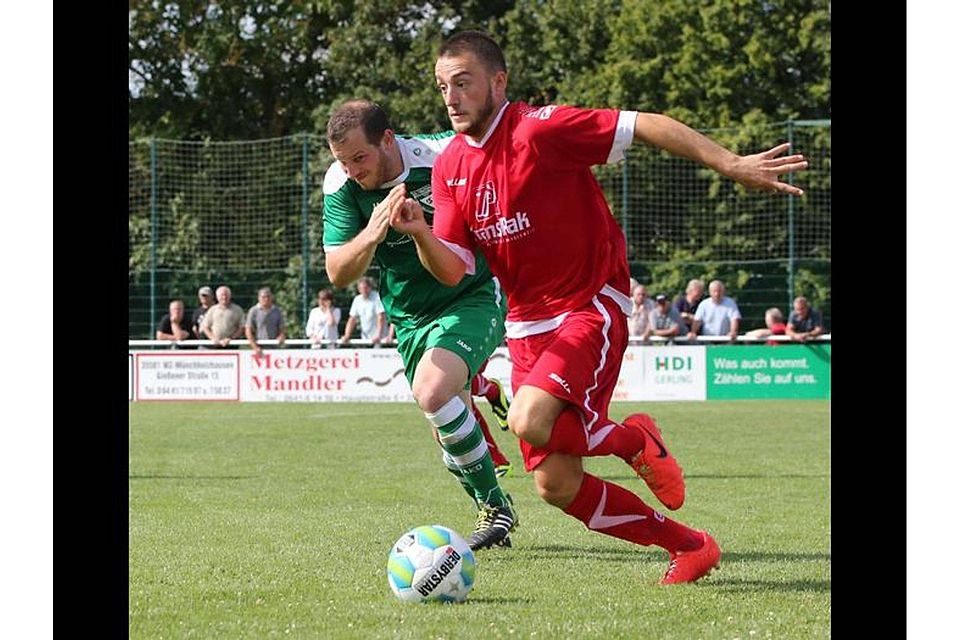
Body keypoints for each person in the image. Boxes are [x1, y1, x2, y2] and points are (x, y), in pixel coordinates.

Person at [388, 30, 806, 584]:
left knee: (527, 420)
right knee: (556, 485)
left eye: (463, 83)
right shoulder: (450, 169)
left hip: (590, 305)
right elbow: (455, 267)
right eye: (443, 86)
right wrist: (420, 235)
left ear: (497, 82)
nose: (451, 97)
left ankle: (634, 440)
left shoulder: (539, 129)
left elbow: (644, 122)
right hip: (526, 327)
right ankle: (691, 545)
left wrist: (728, 162)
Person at [322, 99, 516, 549]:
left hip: (471, 294)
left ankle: (496, 510)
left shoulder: (444, 155)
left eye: (359, 158)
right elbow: (338, 272)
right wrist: (373, 231)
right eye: (343, 161)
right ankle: (492, 502)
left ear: (388, 139)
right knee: (445, 424)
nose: (352, 170)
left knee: (433, 391)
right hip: (410, 317)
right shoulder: (341, 185)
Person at [340, 277, 387, 347]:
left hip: (380, 339)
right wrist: (347, 335)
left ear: (370, 287)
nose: (363, 290)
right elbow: (352, 319)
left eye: (365, 288)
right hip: (365, 339)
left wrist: (378, 334)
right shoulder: (357, 300)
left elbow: (381, 317)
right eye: (361, 288)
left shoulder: (377, 297)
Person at [245, 287, 286, 357]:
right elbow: (248, 330)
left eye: (268, 297)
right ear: (259, 298)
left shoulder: (277, 311)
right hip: (259, 347)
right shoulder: (253, 311)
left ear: (271, 297)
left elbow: (282, 328)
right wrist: (255, 347)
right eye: (263, 297)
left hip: (274, 347)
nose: (266, 299)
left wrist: (281, 335)